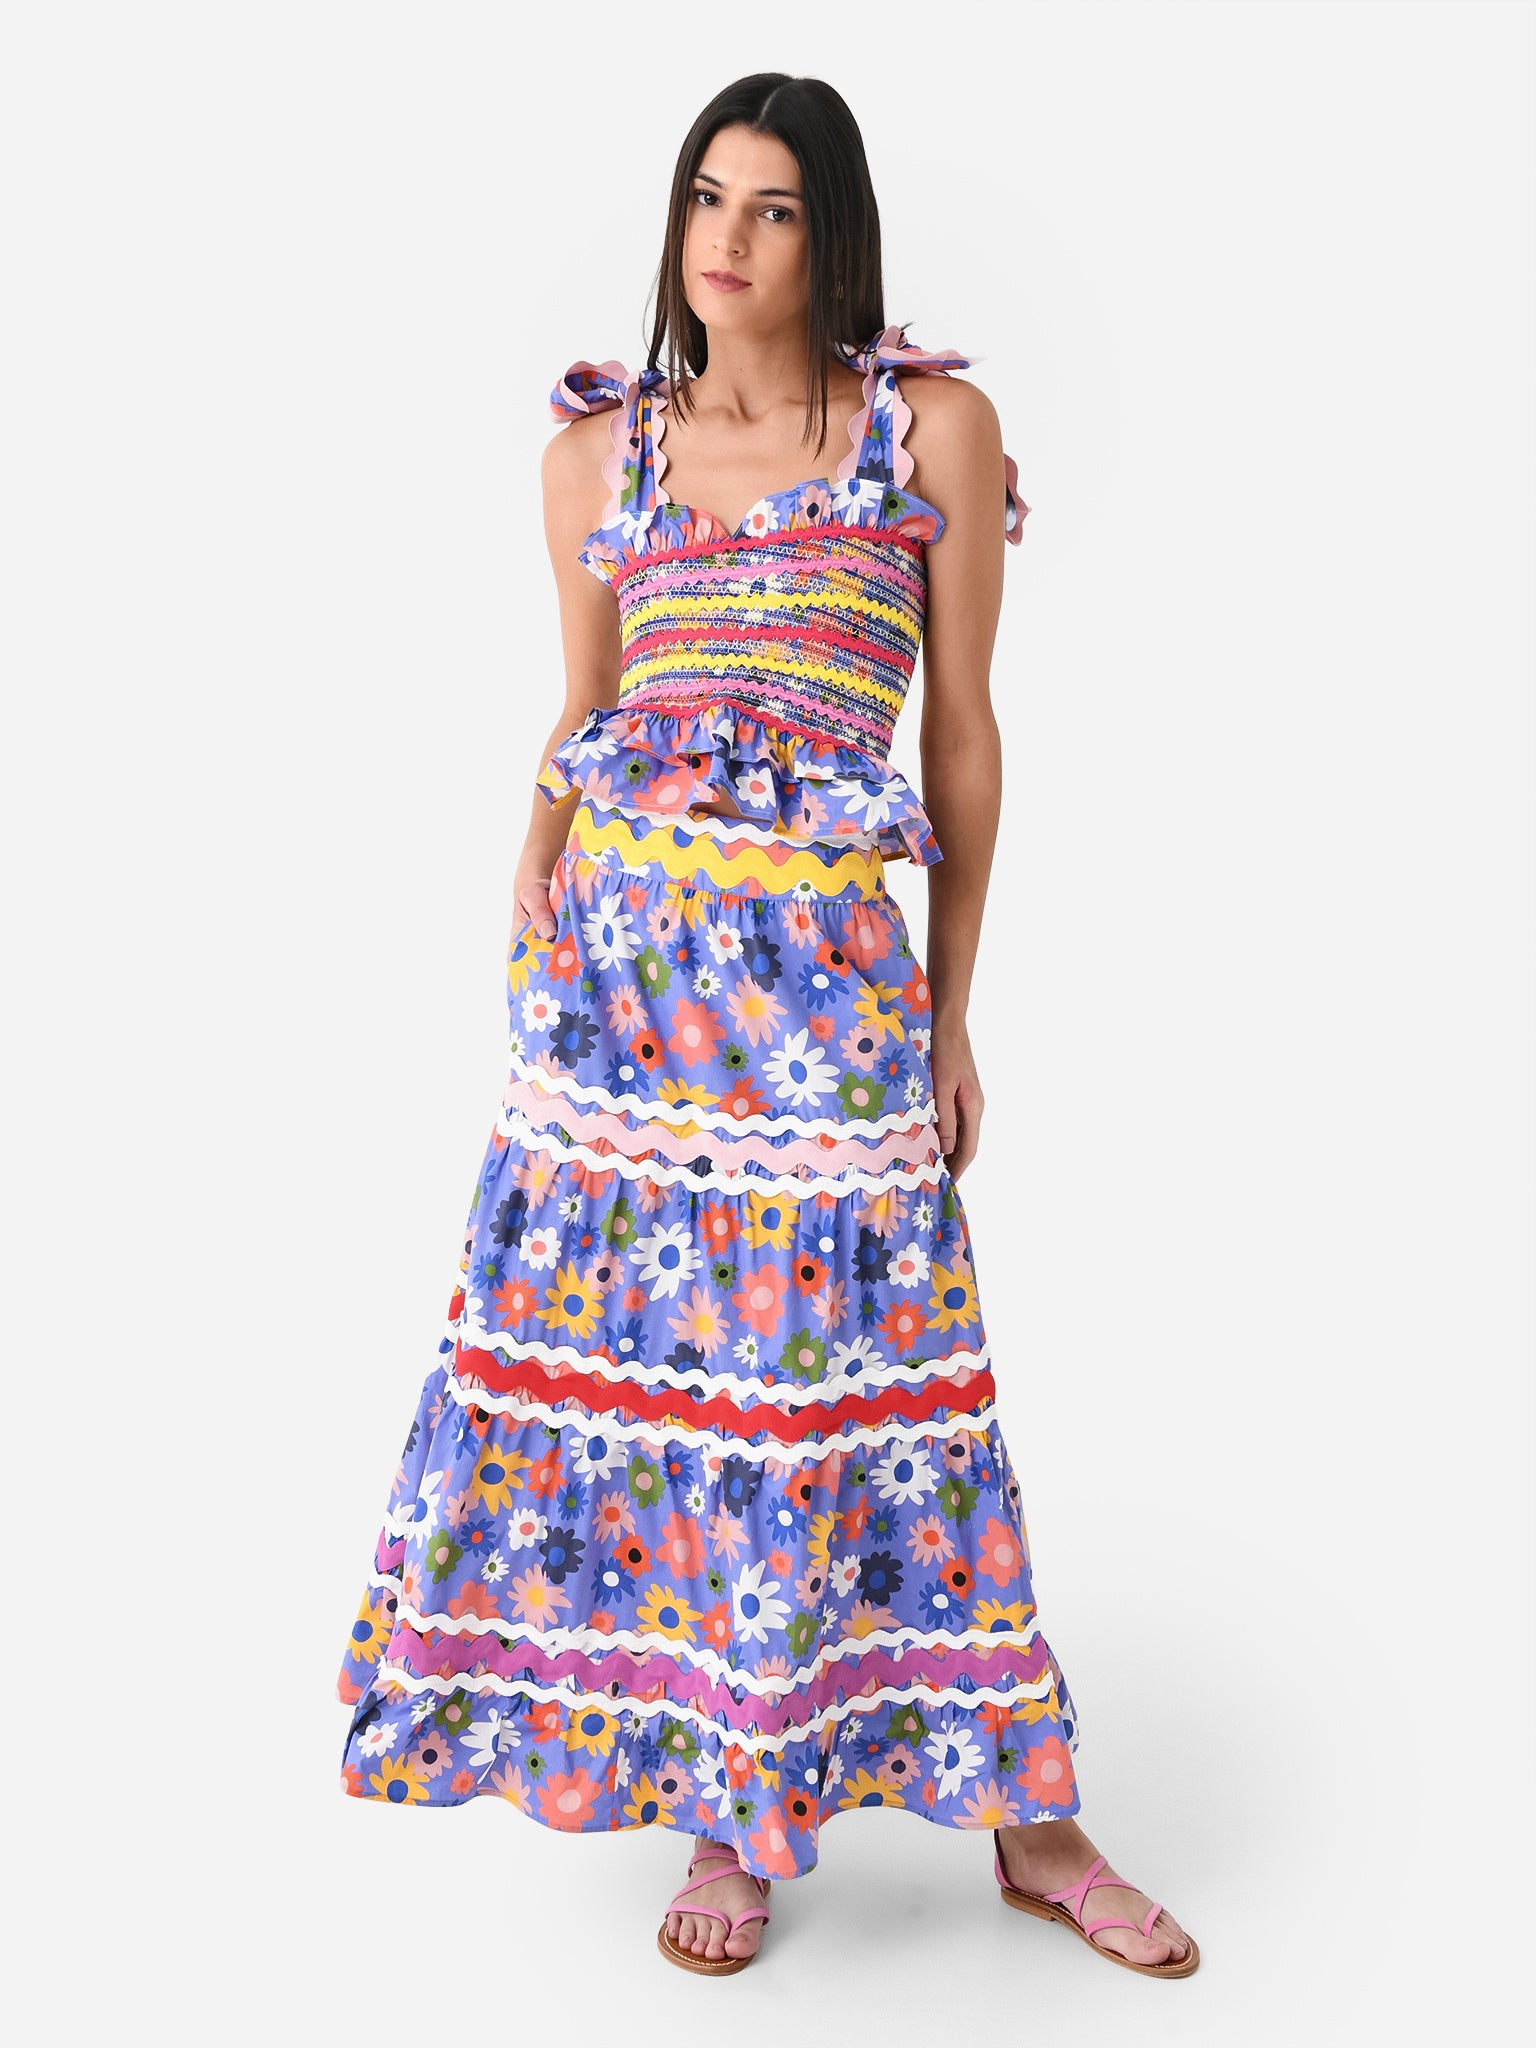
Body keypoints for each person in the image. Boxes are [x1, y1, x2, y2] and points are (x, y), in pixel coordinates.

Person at [335, 71, 1197, 1983]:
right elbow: (585, 712)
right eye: (706, 198)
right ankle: (732, 1807)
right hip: (616, 1005)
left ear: (834, 236)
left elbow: (959, 734)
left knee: (886, 1390)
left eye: (775, 208)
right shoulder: (596, 455)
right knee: (681, 1394)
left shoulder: (930, 432)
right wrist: (529, 864)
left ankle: (1032, 1816)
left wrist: (952, 1009)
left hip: (826, 1006)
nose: (726, 239)